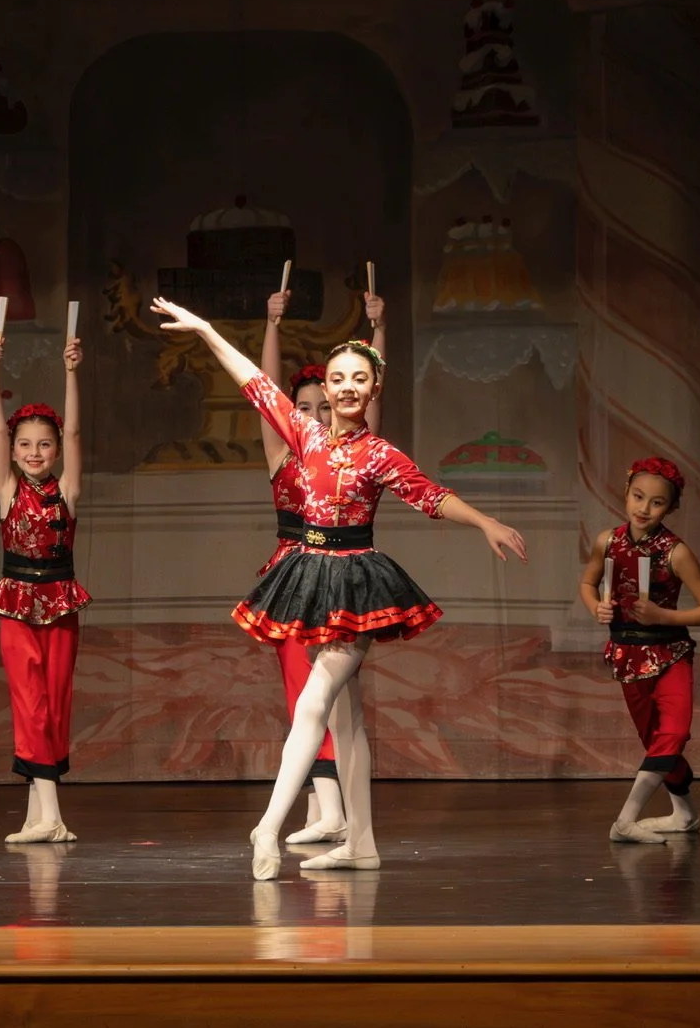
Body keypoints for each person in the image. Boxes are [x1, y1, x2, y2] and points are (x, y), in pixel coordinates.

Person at [149, 297, 526, 879]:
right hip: (308, 571)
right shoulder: (304, 434)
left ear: (374, 388)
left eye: (359, 379)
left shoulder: (380, 454)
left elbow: (430, 495)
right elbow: (253, 382)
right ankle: (361, 843)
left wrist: (483, 521)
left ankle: (268, 826)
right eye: (339, 378)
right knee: (347, 720)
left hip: (355, 582)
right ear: (325, 387)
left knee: (315, 700)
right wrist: (204, 329)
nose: (348, 387)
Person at [257, 280, 385, 844]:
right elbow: (264, 389)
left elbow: (372, 390)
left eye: (321, 406)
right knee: (306, 694)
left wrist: (378, 328)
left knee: (327, 698)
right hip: (292, 573)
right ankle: (328, 810)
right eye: (303, 408)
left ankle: (332, 813)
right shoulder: (283, 451)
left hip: (338, 572)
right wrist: (272, 325)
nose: (312, 415)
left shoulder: (355, 451)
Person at [576, 457, 700, 843]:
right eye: (638, 497)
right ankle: (685, 814)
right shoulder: (607, 542)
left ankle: (624, 821)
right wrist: (596, 607)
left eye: (657, 502)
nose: (644, 508)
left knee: (672, 733)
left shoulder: (676, 552)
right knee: (655, 740)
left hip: (670, 653)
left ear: (671, 507)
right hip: (627, 653)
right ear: (626, 493)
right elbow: (588, 584)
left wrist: (663, 615)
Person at [0, 333, 89, 843]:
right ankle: (48, 818)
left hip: (61, 602)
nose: (34, 452)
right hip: (16, 603)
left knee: (53, 701)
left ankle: (43, 817)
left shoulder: (67, 490)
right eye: (25, 444)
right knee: (28, 702)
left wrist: (71, 371)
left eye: (44, 443)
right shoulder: (7, 490)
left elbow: (76, 433)